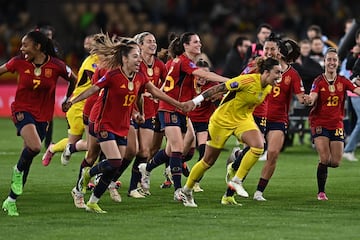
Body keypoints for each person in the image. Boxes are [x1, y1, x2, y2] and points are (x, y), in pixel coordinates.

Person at [63, 36, 190, 213]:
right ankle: (84, 180)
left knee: (117, 161)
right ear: (124, 58)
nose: (139, 60)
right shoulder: (112, 75)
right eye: (135, 56)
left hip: (122, 123)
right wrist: (72, 101)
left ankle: (93, 201)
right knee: (109, 159)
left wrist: (178, 105)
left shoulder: (139, 76)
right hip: (103, 121)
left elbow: (154, 93)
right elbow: (93, 89)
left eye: (139, 56)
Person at [137, 32, 228, 202]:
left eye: (199, 41)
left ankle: (147, 168)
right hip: (169, 108)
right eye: (195, 42)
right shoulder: (184, 62)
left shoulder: (176, 62)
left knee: (172, 150)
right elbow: (205, 75)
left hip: (182, 110)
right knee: (178, 148)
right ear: (186, 45)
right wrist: (228, 81)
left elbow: (168, 83)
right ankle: (179, 190)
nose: (199, 44)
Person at [179, 57, 282, 207]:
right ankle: (186, 190)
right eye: (277, 72)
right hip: (222, 121)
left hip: (242, 120)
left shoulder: (267, 87)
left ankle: (236, 181)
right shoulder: (247, 81)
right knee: (208, 161)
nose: (280, 76)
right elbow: (219, 88)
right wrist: (194, 102)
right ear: (266, 72)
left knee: (259, 146)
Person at [1, 30, 76, 216]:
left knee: (27, 158)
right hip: (21, 110)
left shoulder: (57, 66)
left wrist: (68, 98)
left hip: (43, 117)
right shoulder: (18, 62)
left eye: (25, 45)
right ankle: (17, 170)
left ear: (38, 47)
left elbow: (73, 79)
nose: (21, 48)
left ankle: (11, 201)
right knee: (34, 147)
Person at [303, 47, 360, 201]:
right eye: (329, 59)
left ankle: (322, 170)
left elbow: (356, 90)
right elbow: (313, 96)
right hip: (319, 122)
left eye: (334, 60)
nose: (332, 62)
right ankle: (321, 192)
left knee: (334, 162)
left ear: (338, 62)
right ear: (325, 62)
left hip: (336, 124)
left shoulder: (343, 81)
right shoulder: (318, 81)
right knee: (324, 158)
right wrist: (309, 99)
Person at [42, 34, 96, 166]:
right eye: (87, 41)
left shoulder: (105, 61)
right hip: (79, 106)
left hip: (94, 106)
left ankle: (92, 176)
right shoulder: (91, 61)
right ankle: (53, 148)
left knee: (96, 143)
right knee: (82, 143)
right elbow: (97, 83)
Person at [188, 58, 220, 192]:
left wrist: (218, 96)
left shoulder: (213, 84)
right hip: (188, 120)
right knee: (183, 153)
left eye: (206, 75)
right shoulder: (188, 83)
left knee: (203, 152)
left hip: (203, 122)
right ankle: (149, 168)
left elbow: (224, 95)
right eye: (200, 75)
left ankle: (195, 182)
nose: (203, 78)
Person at [343, 30, 360, 161]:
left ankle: (349, 148)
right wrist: (355, 53)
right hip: (354, 92)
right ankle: (348, 149)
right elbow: (350, 67)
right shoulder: (352, 52)